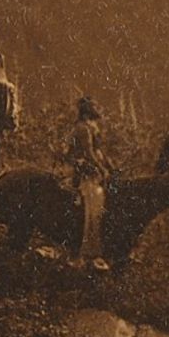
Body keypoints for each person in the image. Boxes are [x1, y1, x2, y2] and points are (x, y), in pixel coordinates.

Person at [66, 96, 114, 270]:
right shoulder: (82, 129)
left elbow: (98, 151)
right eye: (94, 108)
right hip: (86, 174)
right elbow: (88, 153)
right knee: (93, 207)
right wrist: (101, 169)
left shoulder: (91, 128)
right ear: (87, 112)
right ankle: (88, 250)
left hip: (93, 170)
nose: (97, 111)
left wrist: (110, 166)